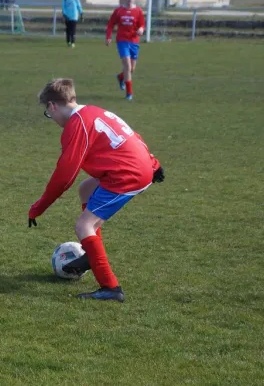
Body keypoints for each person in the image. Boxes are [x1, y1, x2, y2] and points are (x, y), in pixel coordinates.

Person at [28, 78, 164, 302]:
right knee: (86, 189)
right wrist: (154, 163)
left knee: (84, 225)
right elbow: (130, 135)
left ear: (52, 106)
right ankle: (91, 255)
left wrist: (39, 207)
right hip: (138, 168)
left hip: (127, 175)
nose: (51, 118)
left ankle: (110, 288)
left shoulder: (76, 125)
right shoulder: (93, 111)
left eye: (48, 112)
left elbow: (65, 175)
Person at [105, 0, 145, 100]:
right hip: (122, 41)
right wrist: (108, 37)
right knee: (127, 65)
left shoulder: (138, 11)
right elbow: (110, 25)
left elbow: (142, 24)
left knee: (131, 69)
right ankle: (129, 93)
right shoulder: (118, 11)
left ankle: (120, 76)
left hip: (134, 42)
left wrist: (141, 29)